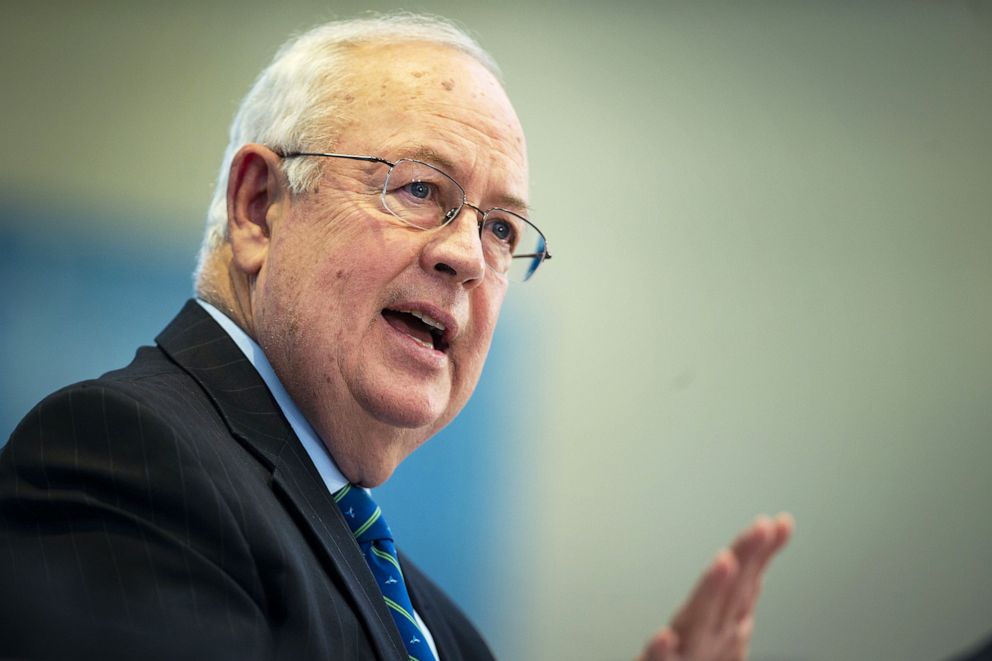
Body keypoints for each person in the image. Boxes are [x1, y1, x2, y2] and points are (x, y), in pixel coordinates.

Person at [0, 14, 792, 661]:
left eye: (502, 228)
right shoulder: (125, 459)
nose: (466, 258)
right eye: (418, 188)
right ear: (257, 207)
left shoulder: (445, 630)